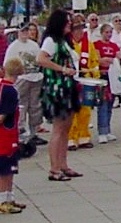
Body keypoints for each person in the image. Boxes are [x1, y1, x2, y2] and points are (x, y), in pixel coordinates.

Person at [36, 9, 81, 181]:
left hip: (68, 86)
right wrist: (62, 69)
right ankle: (54, 168)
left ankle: (63, 165)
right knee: (58, 128)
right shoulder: (51, 40)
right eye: (68, 21)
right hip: (57, 88)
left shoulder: (64, 41)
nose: (70, 24)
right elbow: (41, 59)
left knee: (66, 127)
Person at [3, 26, 45, 144]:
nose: (26, 33)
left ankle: (34, 132)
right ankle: (20, 131)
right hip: (22, 79)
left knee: (35, 106)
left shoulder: (34, 45)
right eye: (23, 31)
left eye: (28, 31)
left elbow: (39, 59)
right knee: (21, 105)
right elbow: (7, 64)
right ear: (19, 32)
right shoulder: (13, 47)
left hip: (36, 78)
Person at [67, 14, 98, 151]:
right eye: (76, 29)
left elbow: (94, 61)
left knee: (85, 110)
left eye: (81, 28)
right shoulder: (67, 45)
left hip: (86, 80)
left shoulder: (89, 45)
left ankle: (84, 136)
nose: (79, 32)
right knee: (72, 111)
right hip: (71, 81)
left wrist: (94, 75)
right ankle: (71, 138)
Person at [0, 58, 26, 213]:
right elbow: (3, 115)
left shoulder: (2, 86)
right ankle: (3, 200)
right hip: (6, 136)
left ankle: (10, 197)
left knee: (10, 169)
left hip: (8, 135)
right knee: (5, 170)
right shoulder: (10, 91)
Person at [93, 23, 120, 144]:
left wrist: (110, 60)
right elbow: (99, 60)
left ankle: (108, 129)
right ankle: (102, 131)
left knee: (110, 103)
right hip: (102, 76)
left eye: (110, 32)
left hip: (113, 76)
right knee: (102, 104)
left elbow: (119, 59)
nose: (108, 35)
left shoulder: (114, 46)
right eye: (106, 32)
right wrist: (109, 60)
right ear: (102, 33)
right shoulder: (97, 45)